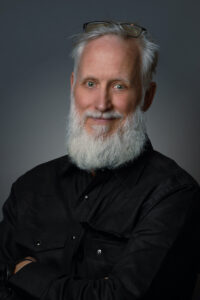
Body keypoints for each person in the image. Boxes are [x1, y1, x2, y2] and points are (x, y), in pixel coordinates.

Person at [0, 20, 199, 300]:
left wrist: (25, 275)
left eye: (119, 86)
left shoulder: (174, 195)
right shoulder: (30, 186)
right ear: (73, 87)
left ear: (147, 96)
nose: (101, 103)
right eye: (90, 83)